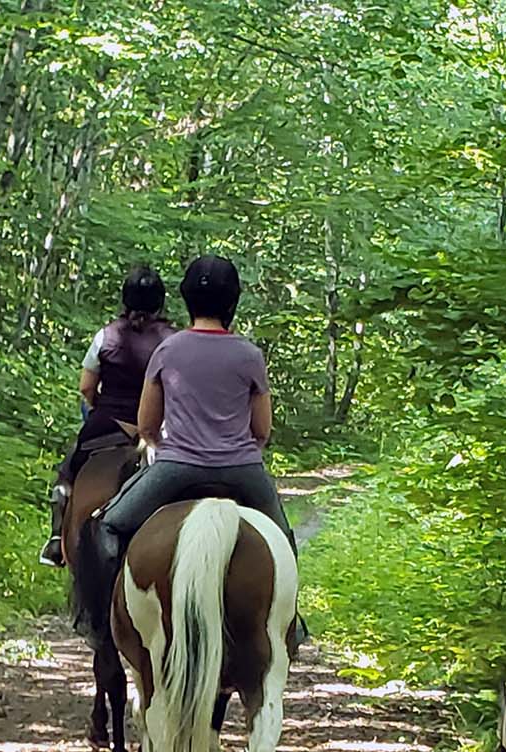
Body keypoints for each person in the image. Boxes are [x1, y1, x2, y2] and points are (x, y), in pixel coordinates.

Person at [95, 254, 307, 651]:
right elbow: (262, 428)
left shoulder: (168, 351)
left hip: (177, 467)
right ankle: (291, 626)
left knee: (109, 525)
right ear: (233, 302)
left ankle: (114, 617)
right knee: (283, 538)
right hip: (242, 469)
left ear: (187, 299)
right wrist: (240, 449)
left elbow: (145, 424)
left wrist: (164, 445)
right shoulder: (249, 355)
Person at [40, 265, 176, 566]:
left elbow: (86, 387)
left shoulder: (106, 336)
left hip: (107, 424)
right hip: (158, 429)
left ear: (125, 299)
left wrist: (101, 405)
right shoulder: (173, 341)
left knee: (69, 472)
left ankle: (57, 535)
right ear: (160, 301)